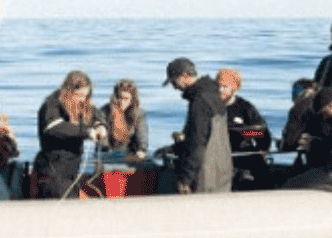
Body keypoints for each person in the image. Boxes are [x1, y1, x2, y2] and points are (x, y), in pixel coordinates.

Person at [162, 58, 233, 195]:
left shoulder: (199, 101)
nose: (173, 86)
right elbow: (210, 135)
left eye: (173, 81)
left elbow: (198, 143)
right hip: (223, 168)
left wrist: (186, 179)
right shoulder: (214, 94)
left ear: (185, 76)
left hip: (205, 174)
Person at [35, 70, 103, 198]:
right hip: (52, 169)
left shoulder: (82, 105)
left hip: (72, 168)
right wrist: (86, 132)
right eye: (78, 95)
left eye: (85, 96)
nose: (82, 99)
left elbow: (96, 115)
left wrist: (100, 126)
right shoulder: (51, 105)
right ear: (68, 91)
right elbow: (54, 127)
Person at [216, 68, 273, 190]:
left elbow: (261, 133)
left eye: (225, 86)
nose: (220, 90)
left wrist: (242, 133)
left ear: (235, 87)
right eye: (218, 86)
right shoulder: (209, 108)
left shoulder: (246, 108)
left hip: (241, 154)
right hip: (217, 155)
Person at [96, 78, 151, 163]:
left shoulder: (139, 114)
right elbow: (103, 143)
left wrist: (141, 151)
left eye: (125, 99)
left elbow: (142, 138)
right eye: (119, 97)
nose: (121, 102)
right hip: (108, 154)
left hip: (130, 155)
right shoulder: (104, 111)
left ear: (132, 100)